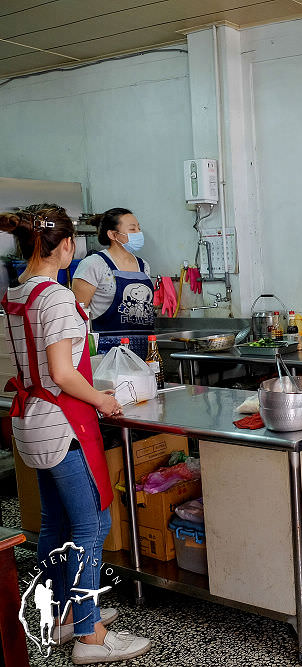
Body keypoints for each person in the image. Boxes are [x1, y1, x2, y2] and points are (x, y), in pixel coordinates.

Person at [0, 204, 152, 664]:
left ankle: (60, 616)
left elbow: (27, 367)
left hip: (29, 423)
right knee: (92, 524)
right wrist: (102, 398)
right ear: (67, 245)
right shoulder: (57, 297)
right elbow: (65, 374)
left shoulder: (14, 295)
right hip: (63, 422)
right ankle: (91, 635)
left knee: (55, 523)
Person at [72, 208, 155, 358]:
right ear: (113, 235)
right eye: (132, 229)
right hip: (108, 355)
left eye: (138, 228)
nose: (138, 233)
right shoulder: (94, 264)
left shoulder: (144, 266)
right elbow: (77, 315)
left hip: (145, 352)